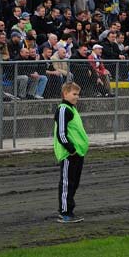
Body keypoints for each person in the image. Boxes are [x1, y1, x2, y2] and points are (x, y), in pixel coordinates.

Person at [54, 82, 89, 223]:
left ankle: (70, 209)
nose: (77, 97)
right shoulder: (63, 109)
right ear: (65, 94)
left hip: (78, 153)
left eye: (78, 94)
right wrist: (71, 150)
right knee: (67, 183)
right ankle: (65, 213)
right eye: (74, 94)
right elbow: (61, 134)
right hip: (70, 154)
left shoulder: (72, 109)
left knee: (74, 183)